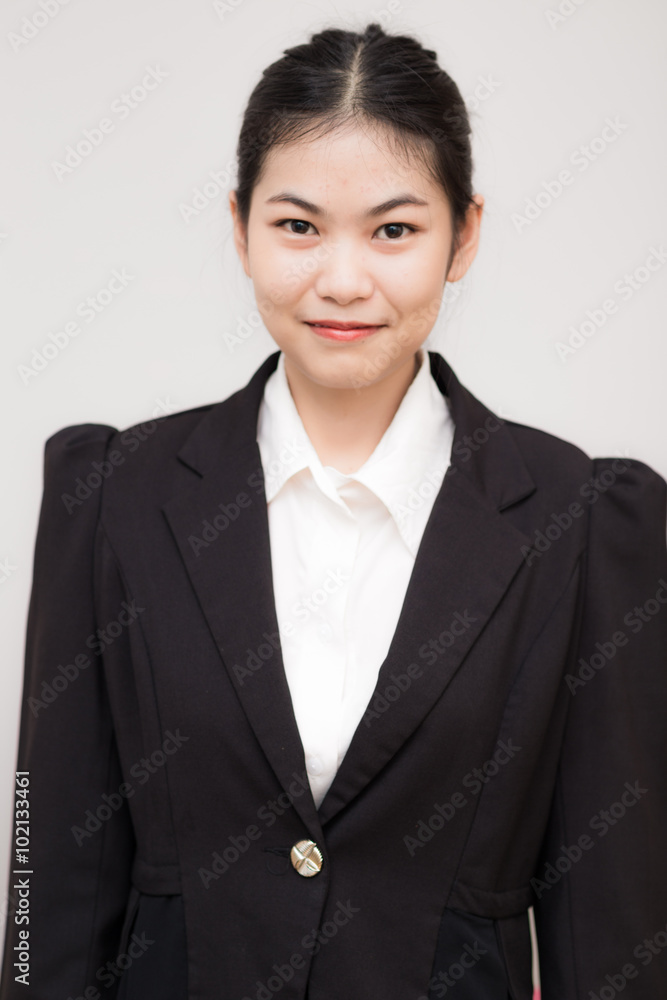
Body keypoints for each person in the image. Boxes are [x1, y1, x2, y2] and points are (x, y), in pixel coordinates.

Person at [1, 20, 666, 1000]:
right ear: (238, 226)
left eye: (393, 229)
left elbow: (616, 941)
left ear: (463, 233)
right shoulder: (115, 497)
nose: (342, 280)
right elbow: (44, 897)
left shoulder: (577, 521)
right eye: (298, 226)